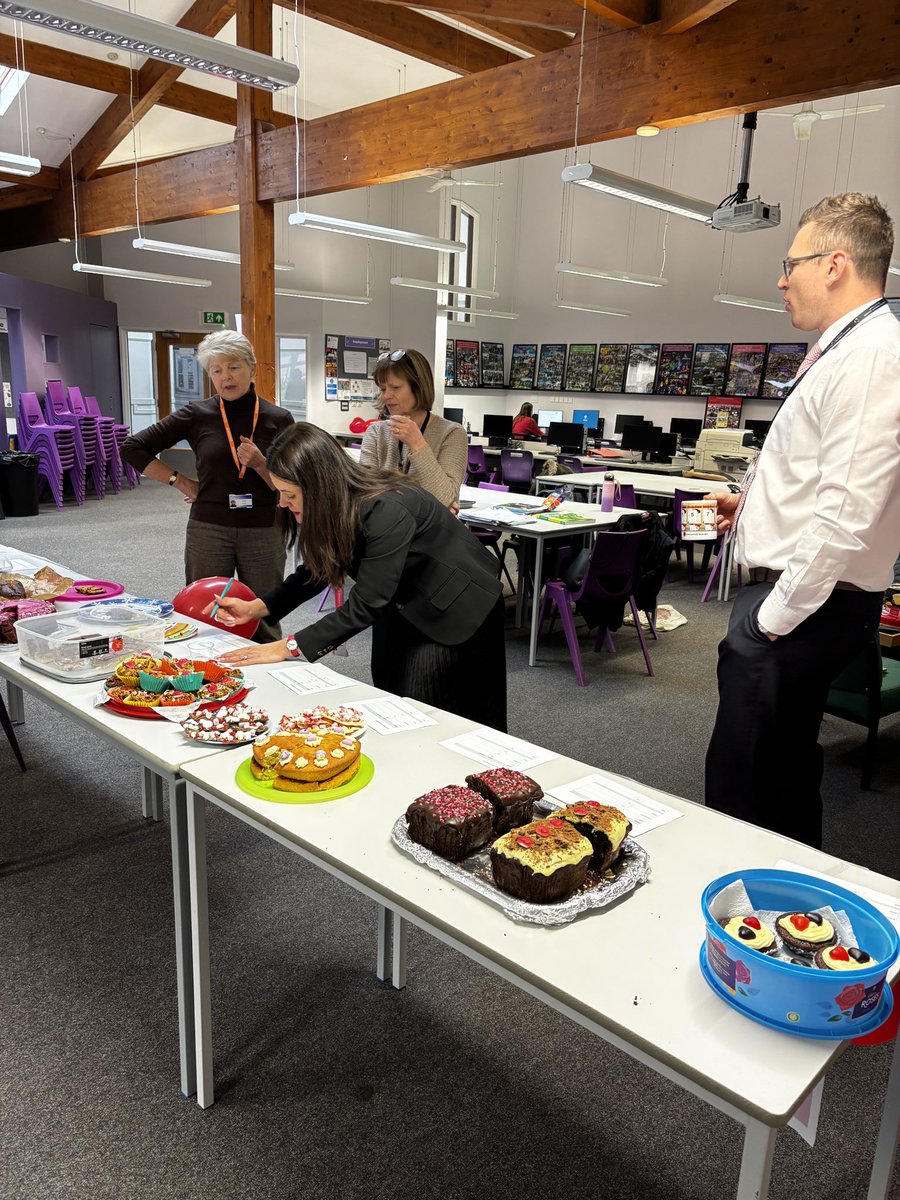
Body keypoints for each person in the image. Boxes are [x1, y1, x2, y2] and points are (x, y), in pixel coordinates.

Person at [705, 193, 900, 849]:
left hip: (803, 608)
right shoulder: (848, 349)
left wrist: (771, 620)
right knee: (780, 778)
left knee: (746, 793)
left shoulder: (868, 357)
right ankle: (782, 907)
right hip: (809, 602)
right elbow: (825, 477)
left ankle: (747, 907)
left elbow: (846, 514)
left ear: (835, 264)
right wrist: (754, 508)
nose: (782, 280)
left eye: (792, 264)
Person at [209, 422, 507, 730]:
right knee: (393, 693)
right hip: (402, 599)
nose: (283, 504)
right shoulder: (340, 502)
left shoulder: (386, 507)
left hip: (459, 606)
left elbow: (367, 603)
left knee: (442, 711)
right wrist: (259, 607)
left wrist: (288, 647)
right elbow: (319, 567)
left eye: (289, 495)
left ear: (318, 487)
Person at [121, 330, 294, 643]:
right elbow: (132, 448)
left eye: (234, 367)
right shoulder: (197, 414)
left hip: (263, 527)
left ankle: (267, 664)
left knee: (265, 617)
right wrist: (180, 481)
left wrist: (260, 464)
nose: (226, 376)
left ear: (252, 369)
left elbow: (292, 486)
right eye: (216, 370)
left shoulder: (278, 418)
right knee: (203, 614)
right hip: (209, 528)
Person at [360, 348, 467, 508]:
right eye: (383, 389)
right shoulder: (376, 432)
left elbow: (446, 499)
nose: (386, 395)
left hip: (426, 527)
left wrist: (417, 444)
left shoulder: (452, 433)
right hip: (389, 525)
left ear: (418, 387)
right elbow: (364, 497)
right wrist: (422, 506)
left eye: (395, 387)